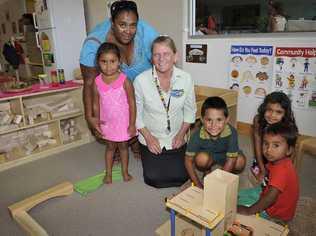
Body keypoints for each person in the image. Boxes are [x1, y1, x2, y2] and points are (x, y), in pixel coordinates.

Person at [80, 0, 159, 158]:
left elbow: (163, 63)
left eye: (133, 25)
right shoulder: (93, 43)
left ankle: (135, 141)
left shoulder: (146, 33)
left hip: (142, 87)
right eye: (122, 24)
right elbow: (89, 83)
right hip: (113, 95)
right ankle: (115, 141)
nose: (128, 31)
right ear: (112, 23)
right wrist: (90, 116)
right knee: (111, 120)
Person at [134, 35, 197, 188]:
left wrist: (181, 134)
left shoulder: (186, 79)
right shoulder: (140, 81)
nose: (161, 58)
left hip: (177, 135)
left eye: (166, 54)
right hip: (150, 136)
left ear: (175, 56)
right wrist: (148, 138)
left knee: (182, 176)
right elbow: (136, 115)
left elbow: (190, 111)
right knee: (153, 178)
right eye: (157, 54)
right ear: (152, 58)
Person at [92, 42, 136, 184]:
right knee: (110, 147)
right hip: (108, 123)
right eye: (104, 62)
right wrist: (96, 122)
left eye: (112, 61)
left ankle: (124, 171)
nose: (108, 66)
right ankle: (108, 173)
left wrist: (132, 123)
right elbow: (95, 104)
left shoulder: (125, 81)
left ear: (119, 62)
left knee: (123, 147)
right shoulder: (97, 82)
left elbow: (132, 103)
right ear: (98, 63)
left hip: (123, 122)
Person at [238, 123, 299, 223]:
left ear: (289, 150)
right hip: (267, 192)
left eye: (276, 145)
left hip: (275, 214)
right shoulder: (278, 160)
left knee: (241, 212)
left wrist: (249, 210)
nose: (269, 150)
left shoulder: (282, 170)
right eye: (266, 144)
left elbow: (270, 198)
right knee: (240, 195)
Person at [185, 96, 246, 188]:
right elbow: (188, 161)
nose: (214, 125)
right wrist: (198, 185)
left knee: (240, 162)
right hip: (208, 156)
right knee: (201, 159)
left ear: (226, 120)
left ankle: (227, 174)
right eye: (209, 120)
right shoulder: (197, 135)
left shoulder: (232, 132)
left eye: (219, 120)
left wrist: (216, 182)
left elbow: (231, 160)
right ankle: (207, 170)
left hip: (226, 156)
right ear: (202, 120)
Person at [252, 91, 297, 181]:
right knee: (259, 179)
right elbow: (257, 146)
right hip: (263, 155)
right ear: (264, 108)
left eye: (278, 112)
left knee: (278, 181)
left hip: (280, 160)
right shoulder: (258, 120)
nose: (272, 115)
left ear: (285, 114)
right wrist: (262, 169)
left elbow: (291, 154)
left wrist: (283, 172)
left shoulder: (288, 127)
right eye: (269, 110)